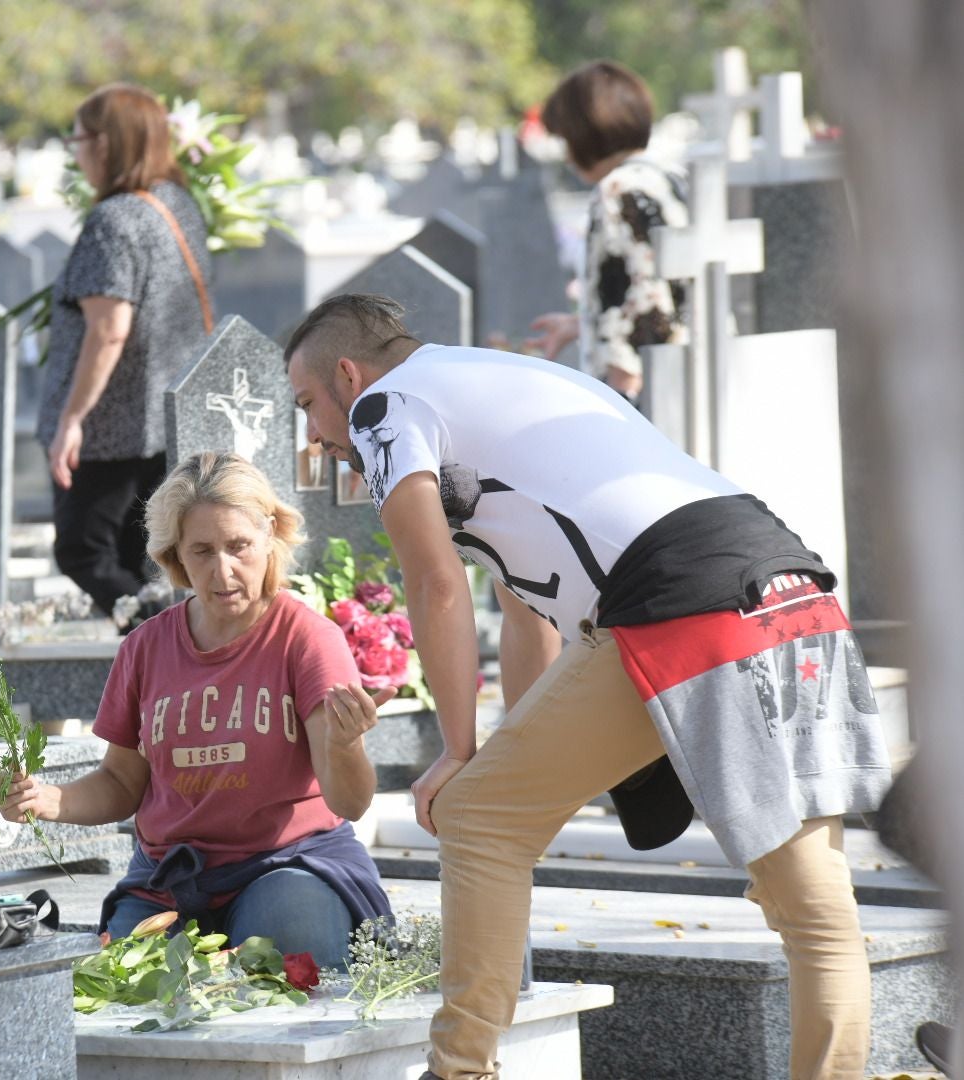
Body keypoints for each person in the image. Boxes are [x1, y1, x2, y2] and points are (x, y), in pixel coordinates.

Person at [285, 293, 890, 1078]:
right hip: (790, 584)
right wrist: (511, 764)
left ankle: (457, 1070)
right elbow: (526, 614)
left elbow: (435, 585)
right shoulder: (498, 381)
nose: (315, 436)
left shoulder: (382, 405)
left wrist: (459, 756)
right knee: (812, 904)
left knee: (475, 816)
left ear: (345, 373)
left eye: (307, 407)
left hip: (680, 601)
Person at [0, 452, 391, 967]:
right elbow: (121, 785)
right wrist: (49, 800)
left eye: (239, 546)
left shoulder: (308, 640)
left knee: (282, 962)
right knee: (123, 988)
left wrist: (344, 746)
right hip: (170, 881)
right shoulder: (144, 648)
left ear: (269, 535)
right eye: (202, 551)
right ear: (176, 556)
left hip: (289, 866)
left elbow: (352, 801)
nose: (222, 570)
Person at [37, 83, 214, 624]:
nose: (76, 150)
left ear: (109, 144)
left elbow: (109, 328)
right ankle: (163, 657)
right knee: (146, 557)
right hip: (161, 421)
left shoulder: (113, 220)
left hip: (111, 427)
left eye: (81, 137)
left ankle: (161, 642)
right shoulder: (176, 204)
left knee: (85, 550)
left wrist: (72, 418)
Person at [524, 60, 690, 404]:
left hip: (649, 389)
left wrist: (622, 383)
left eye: (567, 138)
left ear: (586, 133)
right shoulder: (666, 177)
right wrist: (580, 325)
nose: (568, 155)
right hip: (688, 368)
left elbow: (644, 294)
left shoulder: (615, 189)